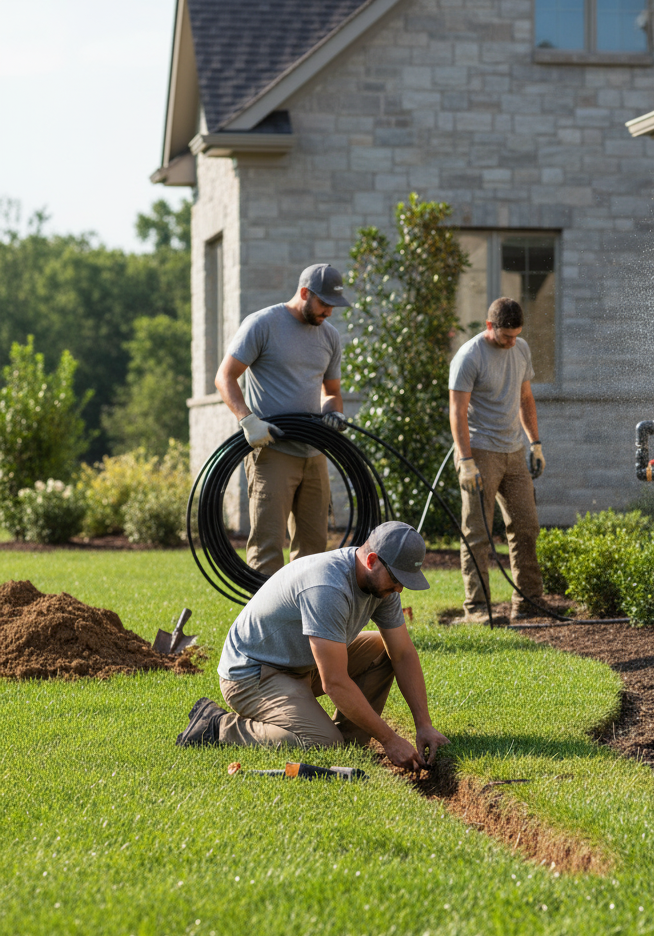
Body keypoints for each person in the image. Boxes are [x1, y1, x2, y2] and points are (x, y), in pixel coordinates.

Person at [175, 521, 449, 771]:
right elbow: (335, 682)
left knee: (382, 649)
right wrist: (389, 739)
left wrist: (423, 723)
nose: (399, 589)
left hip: (300, 665)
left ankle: (350, 740)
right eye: (397, 579)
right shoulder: (328, 586)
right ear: (372, 560)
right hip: (252, 674)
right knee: (321, 743)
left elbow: (402, 653)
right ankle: (217, 726)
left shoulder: (382, 585)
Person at [215, 263, 353, 576]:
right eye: (324, 304)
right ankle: (262, 624)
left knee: (314, 553)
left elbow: (331, 391)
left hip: (314, 453)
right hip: (273, 452)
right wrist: (247, 420)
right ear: (305, 293)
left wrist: (333, 413)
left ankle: (304, 623)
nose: (329, 312)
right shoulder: (263, 324)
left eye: (333, 306)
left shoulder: (329, 337)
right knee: (267, 549)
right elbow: (225, 377)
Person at [448, 296, 546, 623]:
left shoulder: (520, 349)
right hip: (481, 451)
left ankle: (529, 602)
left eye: (516, 335)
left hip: (514, 451)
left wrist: (535, 443)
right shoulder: (469, 356)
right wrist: (465, 461)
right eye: (506, 336)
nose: (512, 342)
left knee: (526, 526)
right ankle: (477, 608)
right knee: (477, 532)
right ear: (490, 327)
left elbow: (525, 398)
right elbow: (457, 411)